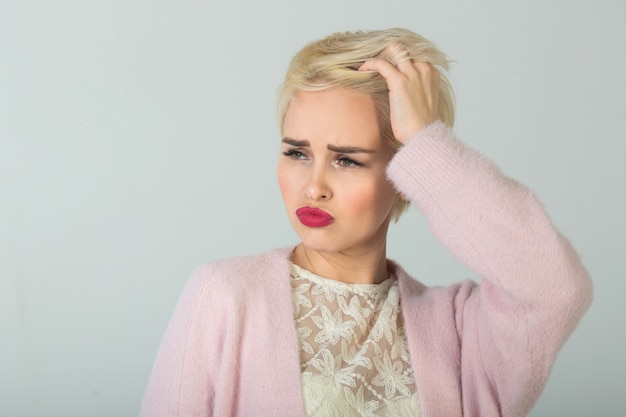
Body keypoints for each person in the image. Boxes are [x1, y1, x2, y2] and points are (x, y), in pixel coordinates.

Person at [140, 28, 592, 417]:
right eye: (297, 153)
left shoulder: (460, 333)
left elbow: (556, 288)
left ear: (405, 175)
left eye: (347, 161)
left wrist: (424, 141)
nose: (313, 186)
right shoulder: (225, 295)